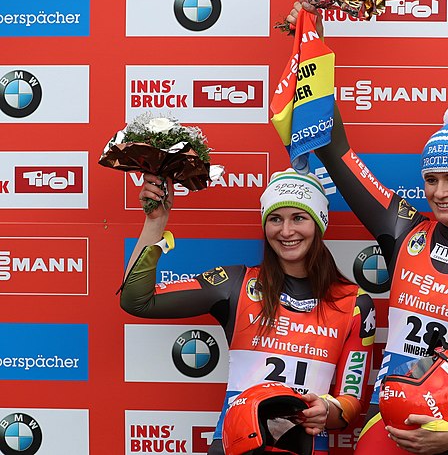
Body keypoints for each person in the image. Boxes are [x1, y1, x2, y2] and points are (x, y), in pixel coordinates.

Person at [284, 0, 448, 455]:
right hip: (393, 424)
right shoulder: (406, 231)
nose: (440, 191)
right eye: (430, 179)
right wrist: (315, 49)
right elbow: (334, 148)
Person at [120, 168, 376, 455]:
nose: (286, 231)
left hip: (305, 446)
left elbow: (351, 401)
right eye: (275, 219)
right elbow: (136, 300)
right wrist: (155, 223)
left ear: (318, 223)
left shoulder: (354, 302)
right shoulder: (236, 284)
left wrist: (328, 409)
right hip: (235, 445)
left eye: (299, 218)